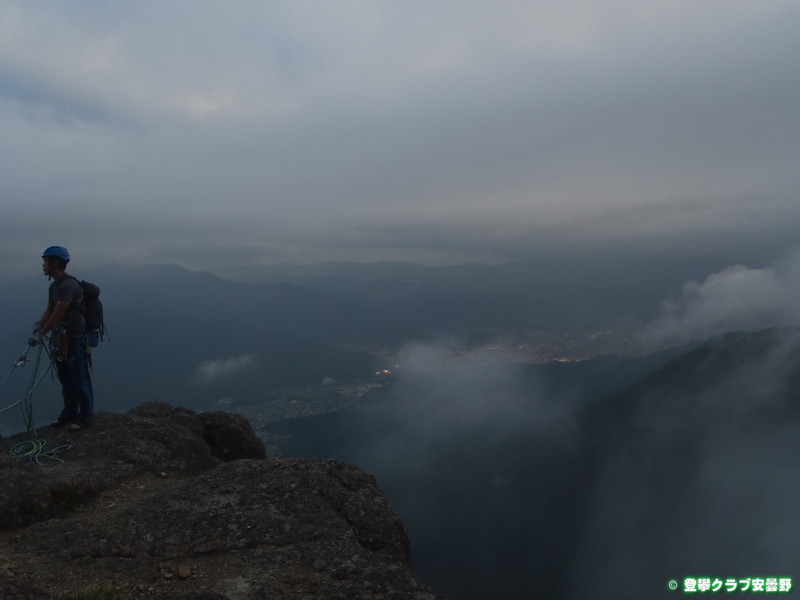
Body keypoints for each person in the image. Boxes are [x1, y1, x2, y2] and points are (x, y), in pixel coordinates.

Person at [30, 246, 94, 431]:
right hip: (61, 339)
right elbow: (49, 311)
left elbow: (57, 314)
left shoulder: (68, 286)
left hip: (75, 339)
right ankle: (70, 412)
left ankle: (85, 416)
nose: (43, 265)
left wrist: (40, 334)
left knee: (79, 377)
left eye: (46, 261)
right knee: (66, 377)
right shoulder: (54, 286)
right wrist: (39, 326)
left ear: (55, 262)